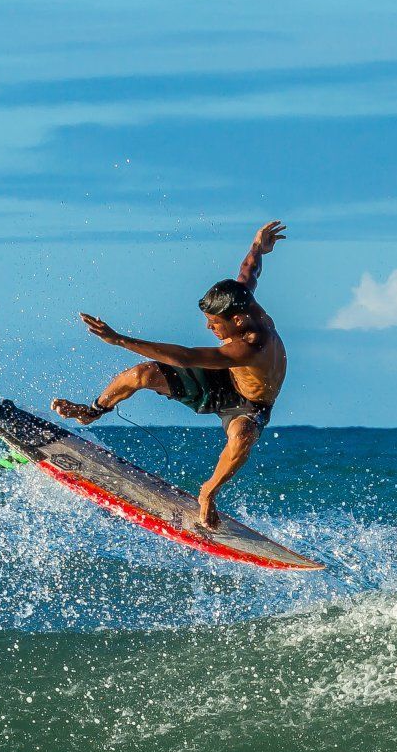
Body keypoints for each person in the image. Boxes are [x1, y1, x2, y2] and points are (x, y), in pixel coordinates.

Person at [53, 221, 289, 529]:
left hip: (250, 403)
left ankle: (207, 493)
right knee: (142, 374)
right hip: (225, 378)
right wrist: (258, 246)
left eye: (215, 323)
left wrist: (120, 340)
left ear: (238, 319)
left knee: (242, 437)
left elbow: (187, 356)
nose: (209, 328)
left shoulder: (248, 347)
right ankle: (93, 410)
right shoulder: (241, 297)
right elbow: (249, 270)